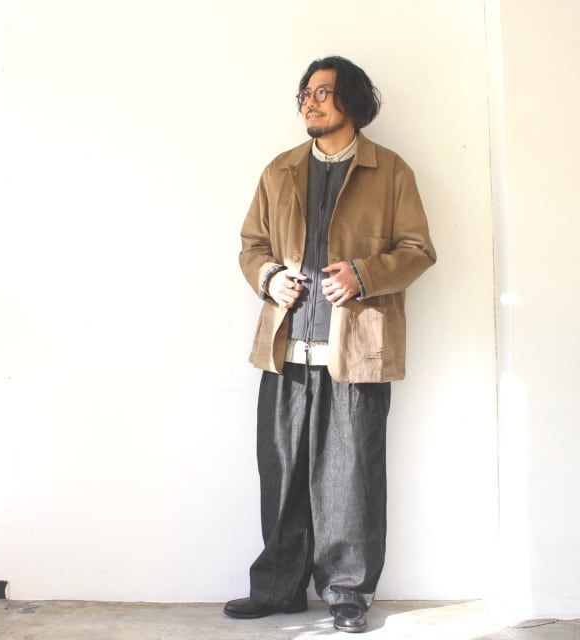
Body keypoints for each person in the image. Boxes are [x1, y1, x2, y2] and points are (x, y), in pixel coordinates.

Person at [224, 55, 436, 634]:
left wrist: (362, 275)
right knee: (282, 476)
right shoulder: (279, 171)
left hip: (356, 352)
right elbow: (251, 245)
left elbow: (418, 250)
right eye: (305, 93)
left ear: (354, 101)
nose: (309, 102)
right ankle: (278, 588)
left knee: (351, 482)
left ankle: (347, 595)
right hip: (285, 348)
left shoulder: (390, 172)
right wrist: (270, 277)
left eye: (323, 92)